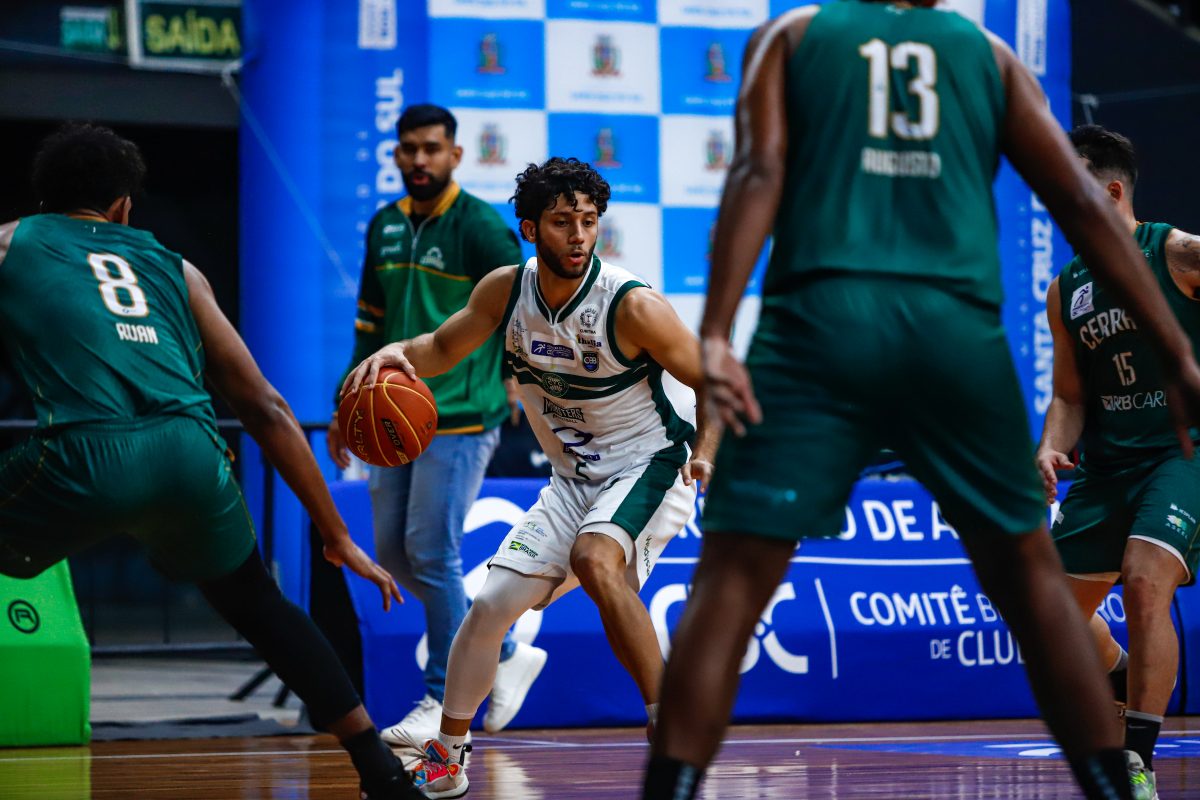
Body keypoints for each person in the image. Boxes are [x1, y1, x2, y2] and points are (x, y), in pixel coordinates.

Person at [642, 4, 1200, 800]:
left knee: (731, 577)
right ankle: (1114, 786)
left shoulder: (792, 35)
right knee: (1034, 583)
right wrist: (1176, 348)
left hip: (820, 323)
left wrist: (718, 331)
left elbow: (758, 172)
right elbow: (1080, 204)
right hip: (953, 333)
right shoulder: (989, 54)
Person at [0, 123, 420, 800]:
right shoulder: (178, 269)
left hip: (85, 453)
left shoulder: (13, 240)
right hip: (193, 457)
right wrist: (337, 534)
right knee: (258, 603)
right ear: (123, 207)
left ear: (43, 200)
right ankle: (382, 770)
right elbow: (267, 407)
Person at [343, 157, 718, 798]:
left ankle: (670, 726)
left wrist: (705, 452)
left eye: (589, 221)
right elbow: (441, 349)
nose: (579, 235)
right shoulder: (505, 291)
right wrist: (396, 351)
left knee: (595, 559)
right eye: (563, 221)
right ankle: (448, 759)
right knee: (488, 608)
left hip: (653, 462)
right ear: (530, 228)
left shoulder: (631, 306)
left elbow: (712, 381)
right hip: (574, 480)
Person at [327, 104, 546, 743]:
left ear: (455, 155)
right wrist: (347, 401)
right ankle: (505, 654)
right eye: (409, 148)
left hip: (460, 413)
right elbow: (369, 324)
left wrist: (516, 377)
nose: (419, 159)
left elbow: (521, 305)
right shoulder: (384, 225)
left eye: (431, 148)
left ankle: (441, 700)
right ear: (396, 155)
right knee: (396, 555)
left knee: (431, 553)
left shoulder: (480, 227)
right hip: (392, 410)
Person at [1038, 124, 1200, 800]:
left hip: (1182, 453)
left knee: (1142, 577)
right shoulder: (1066, 288)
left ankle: (1136, 758)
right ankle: (1126, 678)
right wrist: (1050, 444)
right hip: (1109, 465)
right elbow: (1070, 396)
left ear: (1109, 192)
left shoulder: (1176, 252)